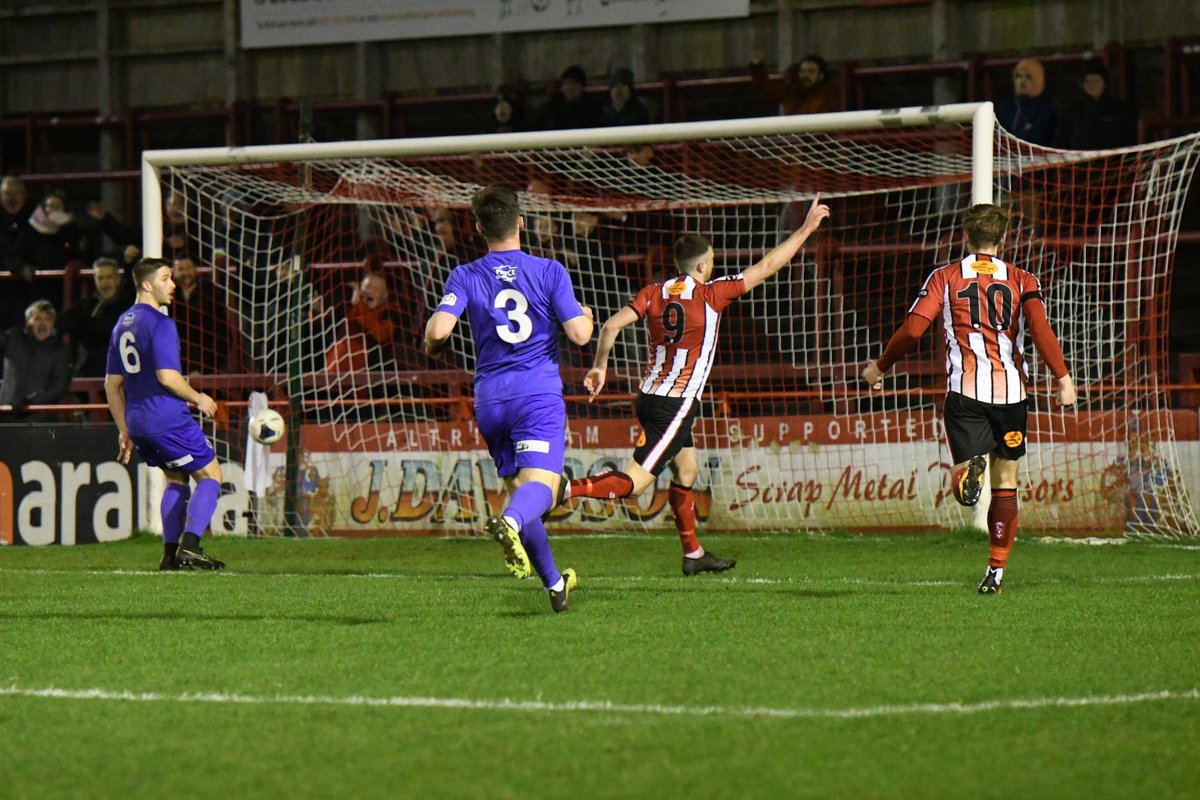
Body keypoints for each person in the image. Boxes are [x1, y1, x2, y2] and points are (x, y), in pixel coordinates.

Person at [565, 196, 831, 575]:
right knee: (635, 483)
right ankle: (562, 491)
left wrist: (600, 367)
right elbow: (768, 265)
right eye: (712, 262)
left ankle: (693, 553)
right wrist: (805, 229)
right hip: (674, 405)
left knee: (686, 472)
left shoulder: (653, 291)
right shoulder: (711, 294)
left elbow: (610, 326)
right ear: (703, 265)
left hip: (649, 396)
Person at [860, 204, 1076, 595]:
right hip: (1012, 394)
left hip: (965, 392)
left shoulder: (945, 277)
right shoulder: (1022, 279)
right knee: (1006, 482)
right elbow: (1040, 328)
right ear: (1003, 238)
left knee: (966, 483)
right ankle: (995, 571)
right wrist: (1063, 378)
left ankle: (966, 470)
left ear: (965, 237)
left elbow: (913, 330)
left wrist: (881, 365)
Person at [424, 183, 594, 612]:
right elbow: (579, 334)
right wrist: (588, 318)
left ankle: (555, 584)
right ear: (521, 221)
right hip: (535, 395)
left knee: (522, 489)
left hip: (490, 401)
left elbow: (439, 330)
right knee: (544, 491)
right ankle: (509, 522)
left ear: (479, 228)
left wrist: (432, 344)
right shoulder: (549, 270)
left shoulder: (465, 274)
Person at [104, 257, 225, 571]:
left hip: (138, 422)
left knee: (176, 477)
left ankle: (170, 556)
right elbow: (168, 377)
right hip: (166, 418)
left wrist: (124, 429)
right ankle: (191, 546)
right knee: (211, 476)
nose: (173, 285)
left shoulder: (122, 324)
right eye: (166, 278)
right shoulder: (161, 323)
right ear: (147, 285)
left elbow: (111, 385)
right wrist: (199, 398)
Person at [58, 257, 135, 377]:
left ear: (118, 279)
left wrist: (86, 326)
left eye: (109, 277)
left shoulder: (128, 303)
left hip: (122, 371)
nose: (105, 283)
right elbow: (61, 321)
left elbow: (109, 330)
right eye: (100, 278)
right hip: (90, 371)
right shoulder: (89, 304)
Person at [0, 299, 73, 421]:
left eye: (48, 319)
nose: (43, 323)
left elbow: (59, 386)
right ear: (28, 322)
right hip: (6, 417)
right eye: (37, 318)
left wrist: (30, 402)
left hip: (41, 420)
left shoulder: (62, 351)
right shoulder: (14, 338)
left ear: (53, 323)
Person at [1053, 59, 1137, 149]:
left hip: (1113, 157)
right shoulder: (1071, 110)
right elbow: (1061, 140)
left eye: (1096, 80)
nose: (1091, 85)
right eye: (1087, 81)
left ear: (1105, 83)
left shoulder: (1120, 109)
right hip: (1080, 157)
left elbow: (1129, 140)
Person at [172, 256, 228, 375]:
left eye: (189, 268)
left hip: (206, 359)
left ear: (195, 269)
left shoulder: (210, 292)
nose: (186, 273)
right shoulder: (170, 296)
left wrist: (203, 368)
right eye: (181, 269)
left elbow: (223, 335)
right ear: (174, 273)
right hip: (176, 361)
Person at [749, 52, 840, 116]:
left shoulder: (828, 95)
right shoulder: (793, 91)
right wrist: (757, 67)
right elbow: (767, 88)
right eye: (803, 71)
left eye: (811, 71)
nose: (806, 75)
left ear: (821, 76)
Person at [996, 58, 1056, 147]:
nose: (1022, 81)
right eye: (1018, 76)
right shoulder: (1005, 109)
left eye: (1028, 77)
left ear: (1038, 80)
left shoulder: (1045, 111)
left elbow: (1036, 139)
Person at [533, 64, 599, 130]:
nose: (570, 87)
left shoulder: (592, 110)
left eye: (575, 83)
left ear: (582, 87)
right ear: (562, 87)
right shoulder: (551, 109)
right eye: (567, 83)